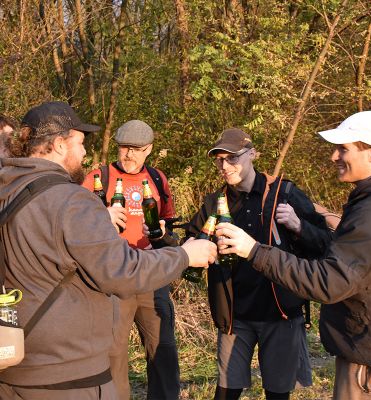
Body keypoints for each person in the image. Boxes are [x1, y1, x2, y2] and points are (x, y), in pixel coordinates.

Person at [0, 101, 216, 400]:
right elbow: (120, 270)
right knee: (116, 355)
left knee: (162, 348)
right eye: (80, 142)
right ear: (60, 144)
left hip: (16, 361)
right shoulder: (73, 198)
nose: (86, 152)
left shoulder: (7, 190)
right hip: (67, 375)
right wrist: (185, 256)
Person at [216, 111, 371, 400]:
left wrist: (257, 248)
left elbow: (330, 278)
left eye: (343, 148)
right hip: (368, 347)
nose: (333, 157)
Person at [185, 128, 332, 400]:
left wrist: (299, 226)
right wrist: (165, 241)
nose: (225, 166)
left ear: (253, 154)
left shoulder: (285, 193)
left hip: (281, 314)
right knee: (226, 393)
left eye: (232, 158)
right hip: (234, 317)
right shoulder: (214, 204)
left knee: (277, 394)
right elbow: (189, 247)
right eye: (219, 160)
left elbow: (324, 245)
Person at [83, 120, 180, 400]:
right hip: (114, 276)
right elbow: (75, 221)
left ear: (149, 149)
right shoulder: (98, 177)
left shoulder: (158, 179)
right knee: (114, 352)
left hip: (152, 273)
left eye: (136, 149)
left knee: (162, 348)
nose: (129, 155)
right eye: (124, 148)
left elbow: (168, 224)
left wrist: (164, 235)